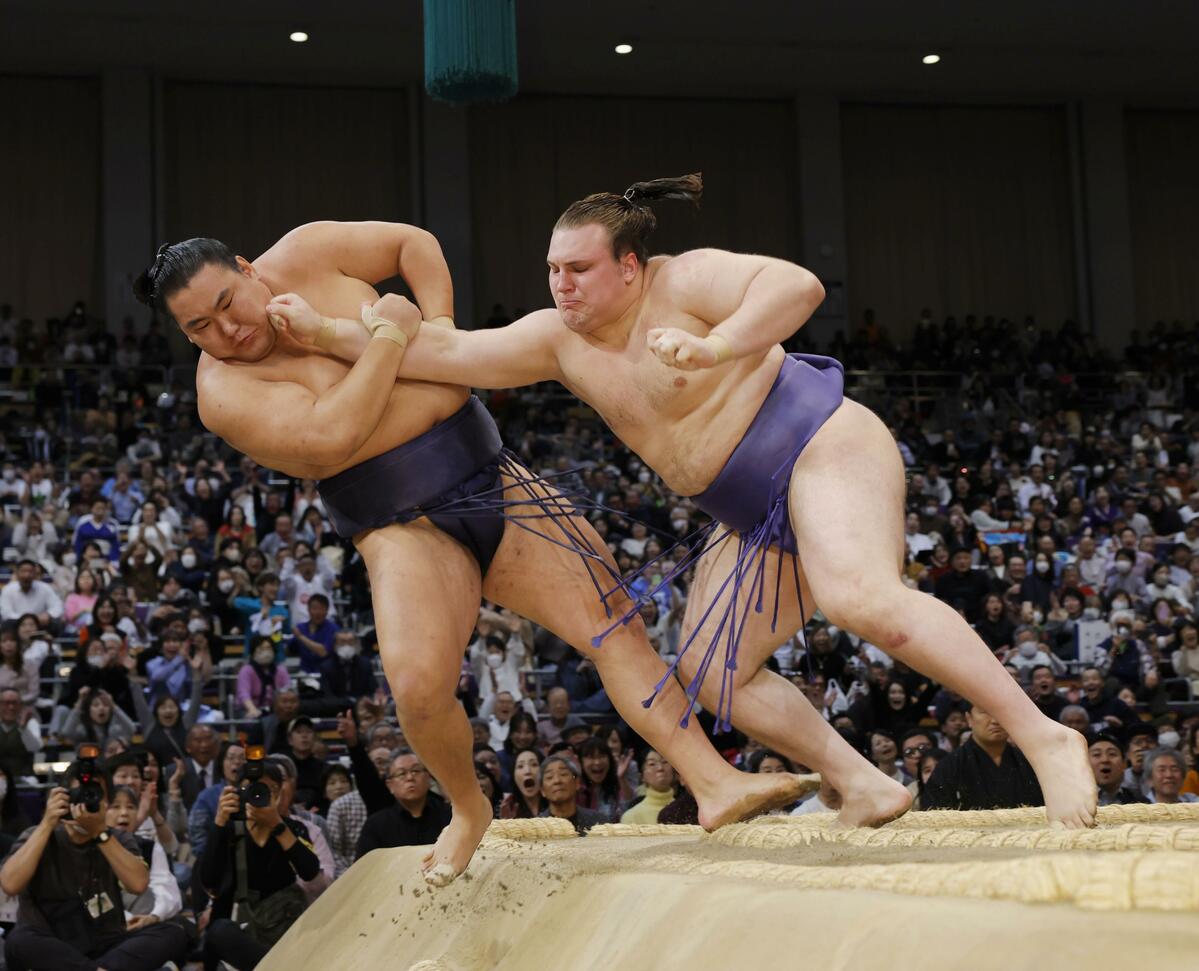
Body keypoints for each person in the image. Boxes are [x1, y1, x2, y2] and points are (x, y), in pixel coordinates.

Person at [377, 173, 1096, 829]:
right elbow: (446, 354)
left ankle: (1042, 734)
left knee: (859, 596)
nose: (561, 286)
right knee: (714, 675)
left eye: (578, 270)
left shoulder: (684, 280)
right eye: (552, 271)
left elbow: (797, 287)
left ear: (628, 266)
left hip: (820, 445)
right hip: (747, 514)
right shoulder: (556, 342)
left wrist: (717, 346)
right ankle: (862, 782)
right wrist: (325, 333)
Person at [138, 226, 803, 884]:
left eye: (228, 303)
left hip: (491, 471)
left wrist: (440, 332)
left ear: (249, 270)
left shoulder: (308, 251)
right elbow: (332, 433)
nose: (226, 330)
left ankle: (712, 779)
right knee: (419, 687)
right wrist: (394, 338)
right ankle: (466, 805)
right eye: (200, 326)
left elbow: (413, 244)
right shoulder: (221, 395)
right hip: (400, 521)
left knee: (612, 622)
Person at [0, 758, 189, 970]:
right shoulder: (37, 834)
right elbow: (10, 884)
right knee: (19, 941)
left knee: (175, 931)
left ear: (106, 802)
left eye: (94, 795)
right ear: (63, 797)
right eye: (78, 794)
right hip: (50, 943)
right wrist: (47, 822)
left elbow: (137, 884)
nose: (85, 802)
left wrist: (99, 832)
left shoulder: (117, 838)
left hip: (106, 943)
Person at [199, 760, 321, 969]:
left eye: (267, 789)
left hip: (282, 930)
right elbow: (209, 879)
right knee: (220, 930)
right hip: (237, 933)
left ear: (278, 794)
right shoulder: (228, 828)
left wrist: (277, 825)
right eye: (250, 789)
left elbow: (310, 872)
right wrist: (219, 821)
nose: (257, 795)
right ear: (237, 792)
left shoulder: (292, 828)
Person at [922, 704, 1044, 811]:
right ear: (969, 719)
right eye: (985, 712)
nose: (995, 720)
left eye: (1001, 711)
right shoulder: (949, 768)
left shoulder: (1031, 763)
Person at [355, 750, 451, 860]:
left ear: (428, 778)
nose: (410, 777)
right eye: (401, 773)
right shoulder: (376, 825)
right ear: (390, 785)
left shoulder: (450, 816)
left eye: (415, 771)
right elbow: (364, 867)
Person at [538, 754, 607, 834]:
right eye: (549, 777)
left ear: (577, 783)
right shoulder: (536, 828)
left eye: (563, 774)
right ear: (542, 790)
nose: (557, 781)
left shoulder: (599, 823)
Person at [1088, 732, 1148, 807]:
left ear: (1124, 764)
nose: (1105, 760)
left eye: (1112, 754)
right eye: (1096, 754)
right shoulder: (1072, 801)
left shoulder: (1140, 804)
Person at [619, 750, 678, 825]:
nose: (660, 768)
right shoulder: (631, 817)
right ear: (642, 776)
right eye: (652, 764)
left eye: (665, 762)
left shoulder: (684, 810)